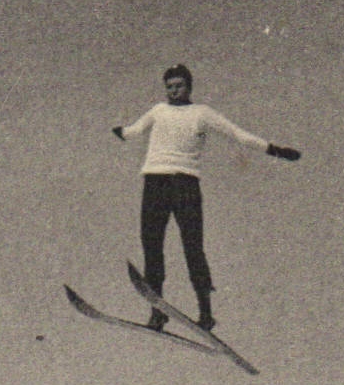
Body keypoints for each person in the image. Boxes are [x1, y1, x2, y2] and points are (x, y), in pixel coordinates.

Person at [113, 64, 300, 331]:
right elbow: (134, 131)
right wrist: (120, 132)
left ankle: (206, 312)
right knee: (152, 244)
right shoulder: (158, 111)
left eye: (178, 85)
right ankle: (157, 311)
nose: (173, 91)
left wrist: (274, 150)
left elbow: (238, 135)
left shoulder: (202, 113)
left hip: (185, 184)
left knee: (193, 246)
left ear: (189, 86)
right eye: (169, 86)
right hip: (155, 181)